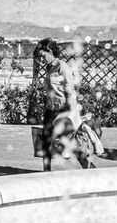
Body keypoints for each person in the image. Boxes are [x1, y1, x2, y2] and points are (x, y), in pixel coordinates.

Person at [34, 38, 83, 171]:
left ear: (50, 51)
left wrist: (70, 113)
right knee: (45, 140)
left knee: (65, 142)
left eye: (43, 56)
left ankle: (86, 164)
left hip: (63, 109)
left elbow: (70, 90)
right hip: (50, 108)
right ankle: (46, 171)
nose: (42, 59)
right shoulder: (50, 67)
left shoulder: (63, 67)